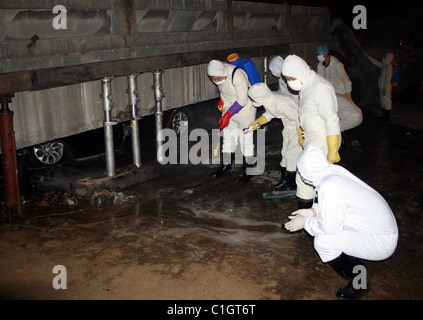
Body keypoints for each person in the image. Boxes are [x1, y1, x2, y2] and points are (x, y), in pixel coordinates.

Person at [284, 145, 398, 300]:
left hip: (380, 241)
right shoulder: (333, 173)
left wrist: (305, 223)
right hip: (379, 230)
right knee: (333, 232)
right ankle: (357, 261)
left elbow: (328, 227)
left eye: (302, 171)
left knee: (324, 241)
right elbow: (339, 206)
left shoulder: (329, 186)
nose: (301, 176)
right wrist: (311, 212)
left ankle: (359, 283)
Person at [281, 54, 341, 209]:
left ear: (301, 72)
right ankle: (314, 214)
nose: (289, 83)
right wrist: (301, 133)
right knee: (313, 178)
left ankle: (306, 217)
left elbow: (331, 119)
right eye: (287, 79)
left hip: (323, 137)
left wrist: (332, 149)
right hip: (311, 137)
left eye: (291, 79)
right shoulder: (306, 86)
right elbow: (305, 112)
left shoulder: (320, 88)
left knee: (305, 178)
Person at [207, 59, 257, 184]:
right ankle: (226, 167)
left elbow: (242, 100)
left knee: (246, 141)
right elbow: (222, 91)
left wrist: (228, 115)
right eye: (214, 79)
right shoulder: (218, 75)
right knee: (228, 138)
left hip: (246, 111)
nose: (217, 81)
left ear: (224, 72)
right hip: (228, 108)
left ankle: (248, 171)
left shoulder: (237, 75)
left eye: (219, 78)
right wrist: (221, 102)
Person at [247, 82, 301, 191]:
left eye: (252, 99)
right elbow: (270, 114)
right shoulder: (269, 99)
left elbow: (299, 118)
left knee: (291, 155)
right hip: (289, 126)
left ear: (259, 97)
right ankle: (285, 180)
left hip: (298, 127)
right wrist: (257, 123)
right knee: (285, 153)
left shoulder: (281, 103)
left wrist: (301, 135)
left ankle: (292, 184)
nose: (251, 101)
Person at [365, 52, 394, 121]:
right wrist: (369, 57)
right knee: (383, 101)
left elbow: (388, 78)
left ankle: (387, 117)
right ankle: (384, 116)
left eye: (385, 57)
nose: (383, 58)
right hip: (383, 87)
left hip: (385, 87)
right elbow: (376, 63)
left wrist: (385, 88)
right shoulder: (384, 65)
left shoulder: (389, 67)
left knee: (386, 101)